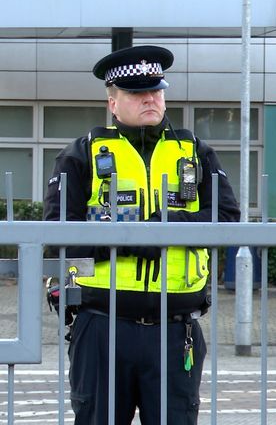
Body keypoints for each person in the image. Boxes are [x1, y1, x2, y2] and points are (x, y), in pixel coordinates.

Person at [43, 45, 240, 425]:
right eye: (137, 92)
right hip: (101, 326)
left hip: (175, 327)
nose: (150, 98)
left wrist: (165, 230)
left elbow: (226, 219)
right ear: (113, 103)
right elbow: (59, 239)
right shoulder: (80, 155)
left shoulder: (195, 152)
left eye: (157, 90)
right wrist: (130, 237)